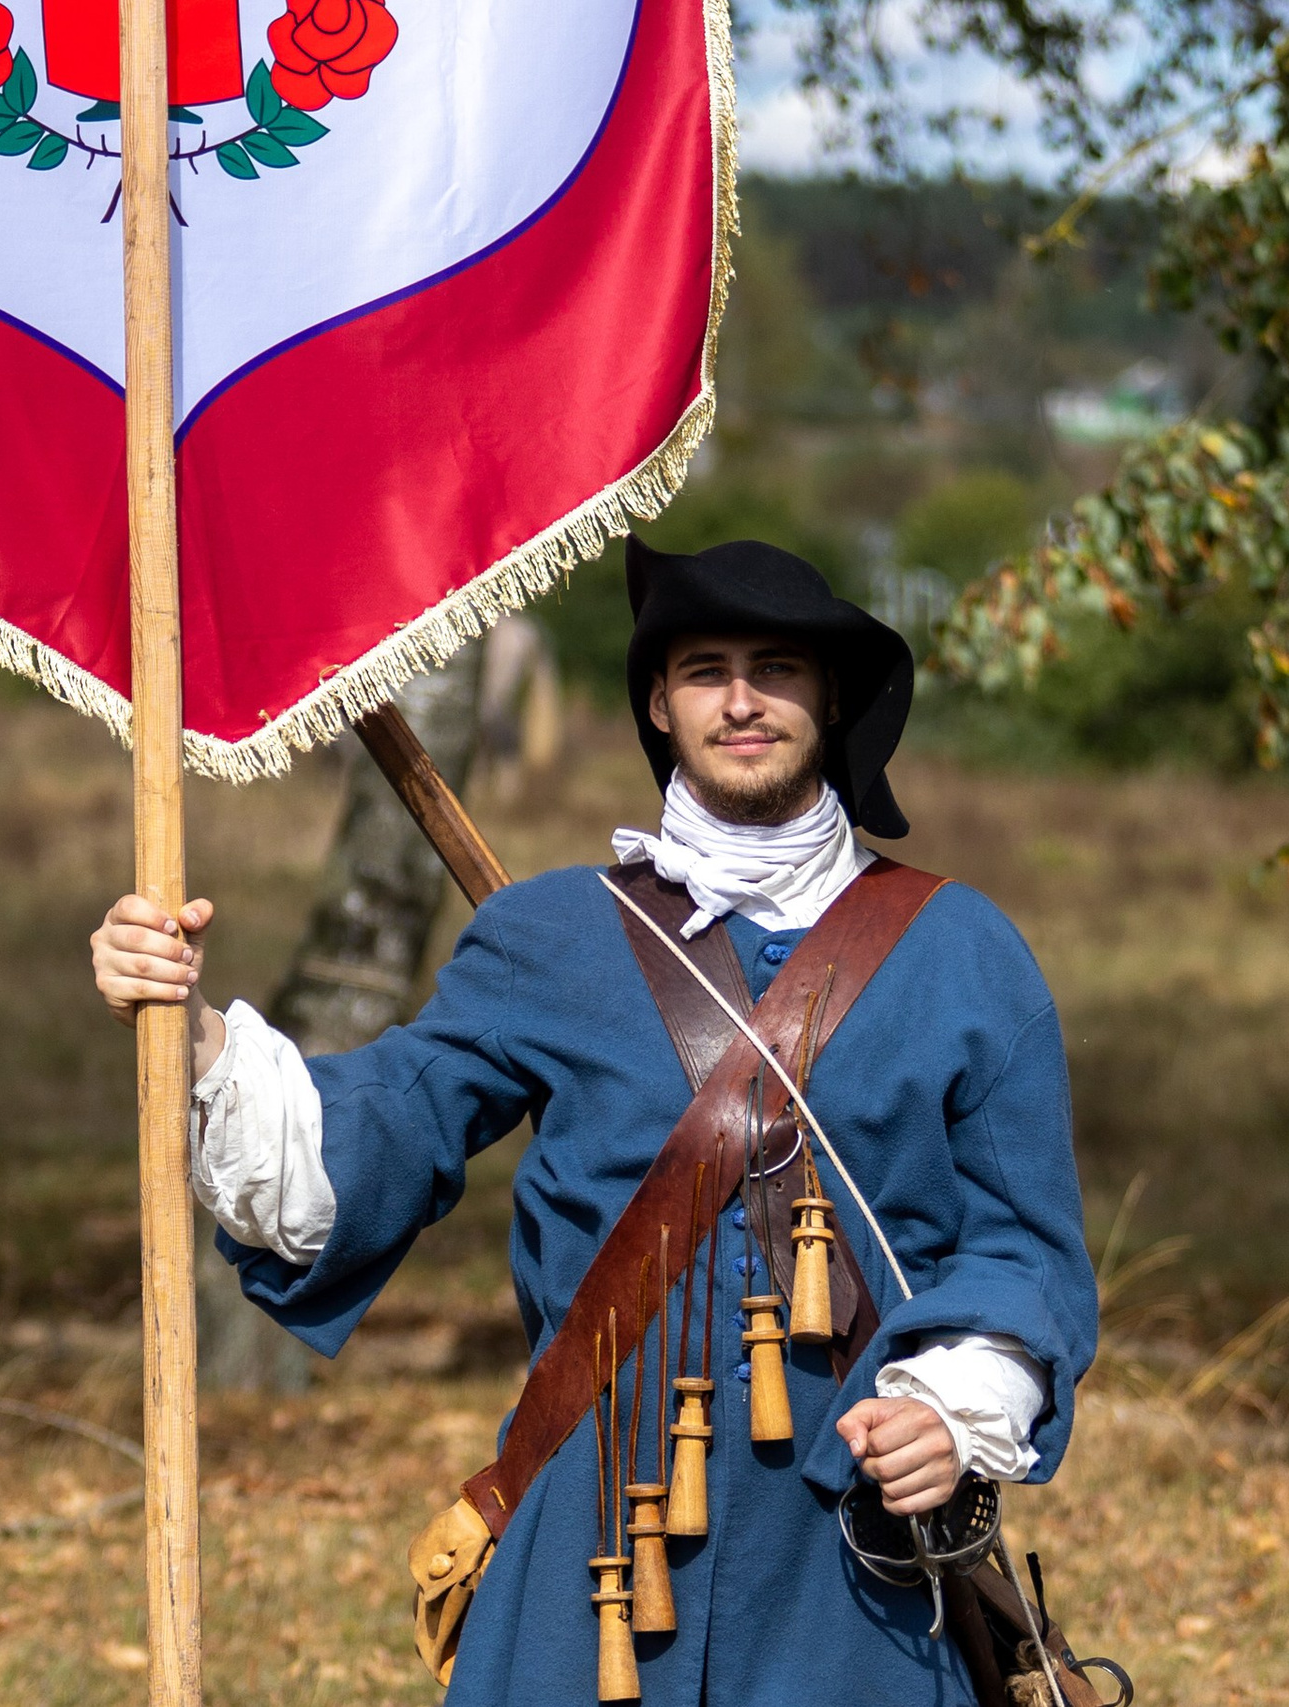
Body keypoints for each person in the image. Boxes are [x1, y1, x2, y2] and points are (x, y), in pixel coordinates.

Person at [91, 538, 1098, 1706]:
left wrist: (952, 1409)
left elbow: (1024, 1250)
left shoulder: (965, 951)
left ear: (831, 698)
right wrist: (192, 1034)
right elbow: (379, 1135)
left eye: (775, 668)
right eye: (704, 670)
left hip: (852, 1562)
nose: (739, 700)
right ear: (659, 705)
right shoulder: (549, 936)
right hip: (593, 1547)